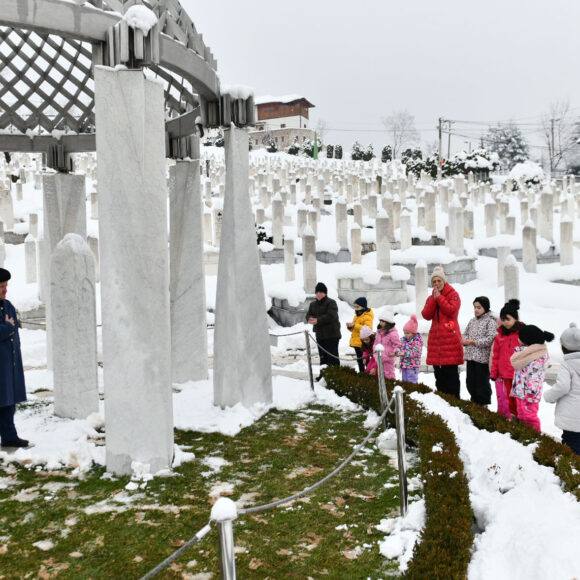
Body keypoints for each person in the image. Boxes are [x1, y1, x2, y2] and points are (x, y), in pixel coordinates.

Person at [421, 266, 463, 397]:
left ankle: (456, 404)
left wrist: (439, 298)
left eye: (439, 281)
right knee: (439, 378)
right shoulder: (431, 297)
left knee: (451, 378)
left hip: (450, 341)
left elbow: (451, 310)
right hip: (436, 342)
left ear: (444, 281)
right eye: (434, 282)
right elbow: (426, 315)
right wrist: (434, 299)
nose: (436, 284)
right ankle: (442, 403)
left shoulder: (453, 295)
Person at [0, 268, 28, 448]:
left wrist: (10, 325)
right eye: (1, 286)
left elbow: (13, 323)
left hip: (9, 363)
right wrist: (8, 327)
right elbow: (8, 328)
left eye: (6, 285)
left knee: (8, 402)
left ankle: (10, 437)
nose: (5, 289)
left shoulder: (7, 305)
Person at [544, 323, 580, 455]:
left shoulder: (566, 365)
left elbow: (563, 386)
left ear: (563, 347)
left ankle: (572, 472)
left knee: (570, 445)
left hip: (571, 416)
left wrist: (548, 396)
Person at [510, 325, 554, 432]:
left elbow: (533, 375)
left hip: (529, 393)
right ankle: (524, 434)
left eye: (520, 337)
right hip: (521, 391)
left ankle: (535, 437)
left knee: (530, 416)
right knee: (521, 414)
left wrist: (530, 393)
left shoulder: (537, 356)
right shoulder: (525, 353)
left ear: (526, 340)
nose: (518, 339)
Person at [490, 299, 523, 420]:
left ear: (515, 318)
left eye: (508, 319)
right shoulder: (500, 335)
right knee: (507, 400)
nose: (505, 322)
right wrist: (494, 372)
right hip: (504, 375)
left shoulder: (522, 333)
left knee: (519, 402)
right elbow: (496, 355)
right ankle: (511, 421)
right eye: (503, 320)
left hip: (518, 374)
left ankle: (521, 422)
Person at [462, 296, 497, 405]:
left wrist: (473, 342)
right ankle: (474, 403)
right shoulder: (472, 321)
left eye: (479, 307)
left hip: (482, 359)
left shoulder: (490, 321)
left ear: (485, 308)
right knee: (470, 382)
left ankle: (483, 405)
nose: (476, 310)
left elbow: (490, 339)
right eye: (475, 307)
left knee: (481, 384)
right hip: (470, 357)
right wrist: (464, 340)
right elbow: (466, 333)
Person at [306, 282, 341, 377]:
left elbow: (331, 316)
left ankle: (335, 376)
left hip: (332, 335)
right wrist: (309, 319)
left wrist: (318, 320)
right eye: (317, 292)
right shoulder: (313, 304)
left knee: (332, 357)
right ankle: (323, 375)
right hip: (320, 335)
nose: (318, 294)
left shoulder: (331, 302)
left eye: (321, 292)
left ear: (325, 293)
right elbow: (308, 314)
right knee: (323, 357)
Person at [370, 311, 401, 380]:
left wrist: (395, 352)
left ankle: (390, 386)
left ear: (388, 323)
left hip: (388, 358)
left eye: (383, 321)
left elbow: (397, 345)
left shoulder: (393, 333)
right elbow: (375, 343)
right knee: (380, 375)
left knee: (389, 374)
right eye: (380, 321)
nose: (381, 323)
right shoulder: (379, 332)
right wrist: (375, 350)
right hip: (379, 357)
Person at [346, 297, 374, 373]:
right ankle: (362, 374)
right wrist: (350, 327)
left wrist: (354, 325)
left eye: (357, 307)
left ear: (363, 307)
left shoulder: (367, 316)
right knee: (360, 361)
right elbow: (355, 328)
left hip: (363, 343)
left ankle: (368, 375)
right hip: (356, 342)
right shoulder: (356, 316)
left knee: (365, 361)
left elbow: (367, 329)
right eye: (355, 307)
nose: (356, 309)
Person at [400, 314, 423, 384]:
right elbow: (398, 346)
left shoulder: (417, 342)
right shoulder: (403, 340)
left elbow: (416, 353)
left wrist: (404, 353)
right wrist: (397, 351)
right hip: (404, 365)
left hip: (413, 366)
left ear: (413, 333)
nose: (406, 335)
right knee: (404, 381)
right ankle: (406, 392)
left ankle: (412, 393)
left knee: (412, 381)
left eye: (407, 333)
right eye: (404, 333)